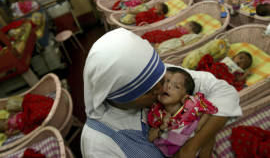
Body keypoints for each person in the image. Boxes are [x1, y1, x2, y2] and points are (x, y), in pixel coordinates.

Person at [81, 28, 242, 158]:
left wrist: (195, 145)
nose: (161, 88)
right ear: (125, 98)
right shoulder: (100, 146)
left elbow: (225, 92)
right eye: (150, 91)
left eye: (161, 79)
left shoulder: (157, 74)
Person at [147, 67, 218, 157]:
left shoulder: (193, 106)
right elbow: (150, 138)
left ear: (185, 97)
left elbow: (210, 113)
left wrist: (201, 126)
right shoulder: (156, 113)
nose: (167, 86)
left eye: (176, 86)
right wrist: (161, 128)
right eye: (164, 83)